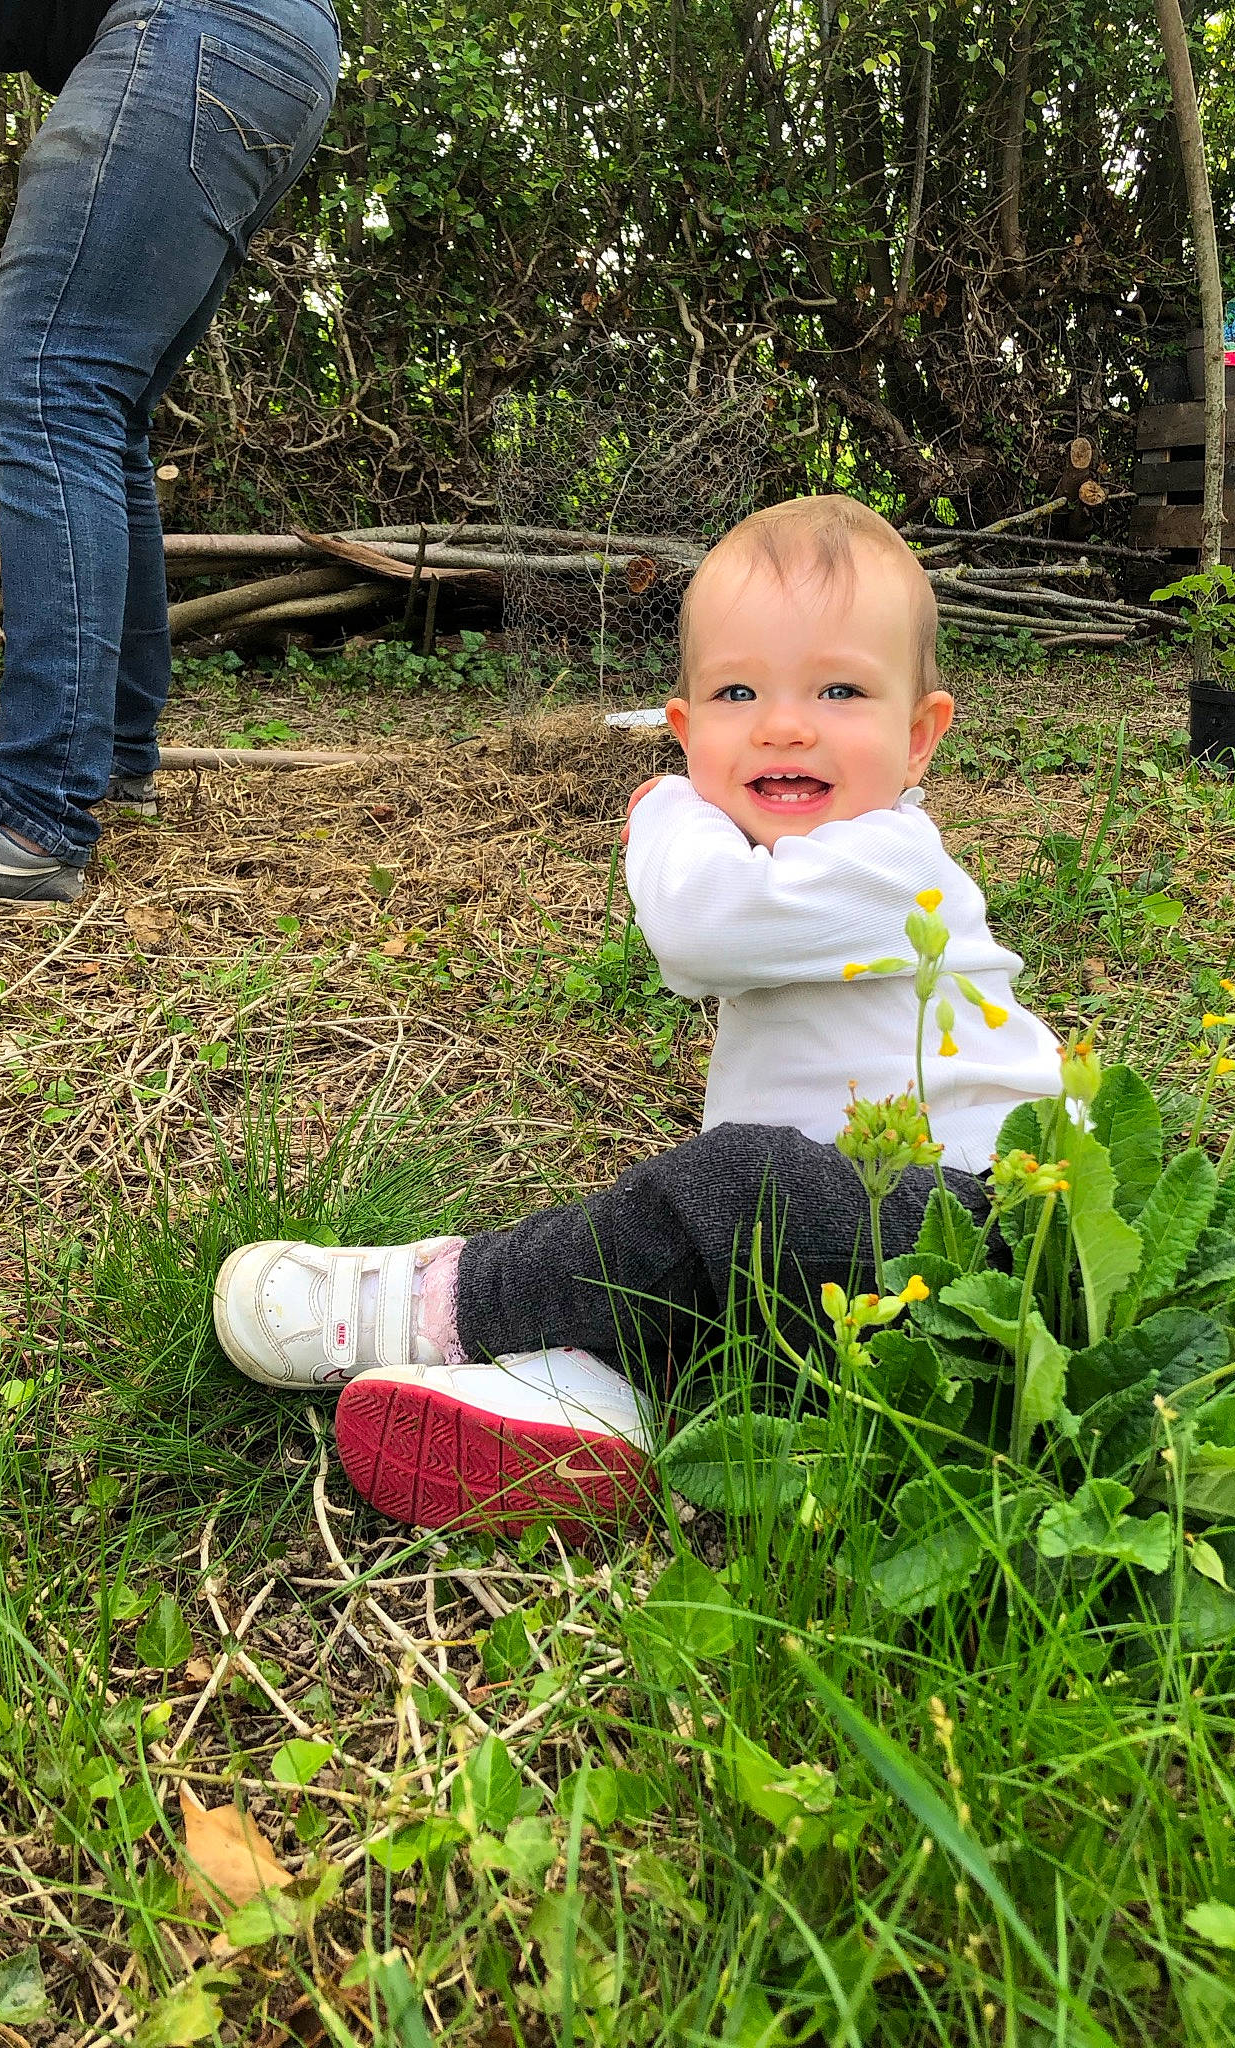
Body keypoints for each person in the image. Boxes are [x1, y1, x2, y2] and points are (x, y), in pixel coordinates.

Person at [212, 495, 1064, 1530]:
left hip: (989, 1239)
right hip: (861, 1268)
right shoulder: (816, 866)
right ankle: (592, 1406)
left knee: (734, 1186)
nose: (785, 722)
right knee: (717, 1248)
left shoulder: (889, 863)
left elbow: (699, 928)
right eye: (738, 690)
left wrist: (665, 809)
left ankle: (447, 1301)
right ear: (689, 724)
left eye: (840, 688)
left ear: (920, 736)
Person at [0, 0, 340, 901]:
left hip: (193, 29)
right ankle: (113, 759)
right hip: (264, 45)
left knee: (41, 378)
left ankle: (33, 810)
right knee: (101, 403)